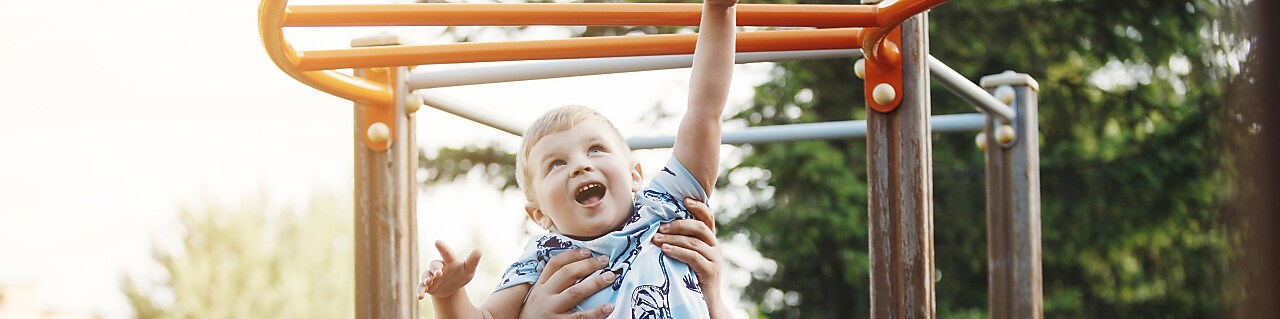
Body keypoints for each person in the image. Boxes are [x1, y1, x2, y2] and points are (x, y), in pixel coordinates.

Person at [416, 0, 737, 316]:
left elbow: (704, 111)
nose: (581, 165)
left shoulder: (664, 210)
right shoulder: (541, 258)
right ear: (539, 214)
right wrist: (449, 295)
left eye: (596, 149)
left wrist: (718, 10)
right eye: (556, 164)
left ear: (635, 174)